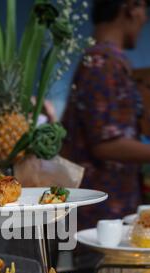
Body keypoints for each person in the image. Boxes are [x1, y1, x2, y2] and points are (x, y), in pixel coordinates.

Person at [62, 0, 150, 229]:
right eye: (144, 9)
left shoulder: (103, 60)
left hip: (107, 214)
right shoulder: (103, 63)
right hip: (102, 219)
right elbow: (105, 144)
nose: (145, 19)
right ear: (131, 6)